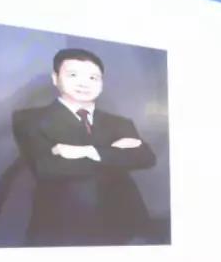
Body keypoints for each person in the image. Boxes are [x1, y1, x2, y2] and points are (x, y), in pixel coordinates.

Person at [12, 48, 156, 247]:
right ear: (55, 78)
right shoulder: (29, 119)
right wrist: (114, 155)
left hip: (125, 224)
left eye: (93, 78)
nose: (84, 83)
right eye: (73, 75)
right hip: (61, 226)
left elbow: (146, 158)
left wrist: (87, 151)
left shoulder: (120, 122)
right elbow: (48, 168)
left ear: (101, 83)